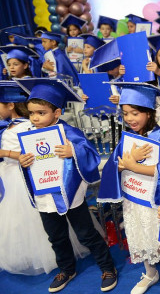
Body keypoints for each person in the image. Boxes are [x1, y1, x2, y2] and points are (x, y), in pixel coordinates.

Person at [15, 78, 117, 292]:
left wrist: (74, 151)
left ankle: (107, 267)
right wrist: (22, 161)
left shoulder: (68, 132)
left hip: (69, 194)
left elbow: (91, 155)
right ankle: (67, 269)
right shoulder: (29, 134)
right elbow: (27, 161)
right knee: (56, 236)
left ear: (57, 113)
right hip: (44, 194)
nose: (35, 117)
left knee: (86, 234)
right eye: (31, 113)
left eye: (41, 113)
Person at [98, 83, 160, 294]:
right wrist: (126, 163)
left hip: (155, 198)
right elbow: (115, 164)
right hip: (134, 198)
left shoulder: (158, 138)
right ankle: (151, 273)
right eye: (125, 114)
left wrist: (132, 165)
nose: (130, 118)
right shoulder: (128, 138)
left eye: (135, 113)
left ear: (149, 113)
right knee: (140, 235)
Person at [0, 81, 58, 275]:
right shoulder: (7, 126)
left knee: (30, 218)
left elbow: (33, 152)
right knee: (14, 221)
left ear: (11, 105)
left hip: (22, 176)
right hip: (9, 174)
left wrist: (6, 153)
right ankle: (22, 253)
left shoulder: (25, 126)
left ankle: (43, 254)